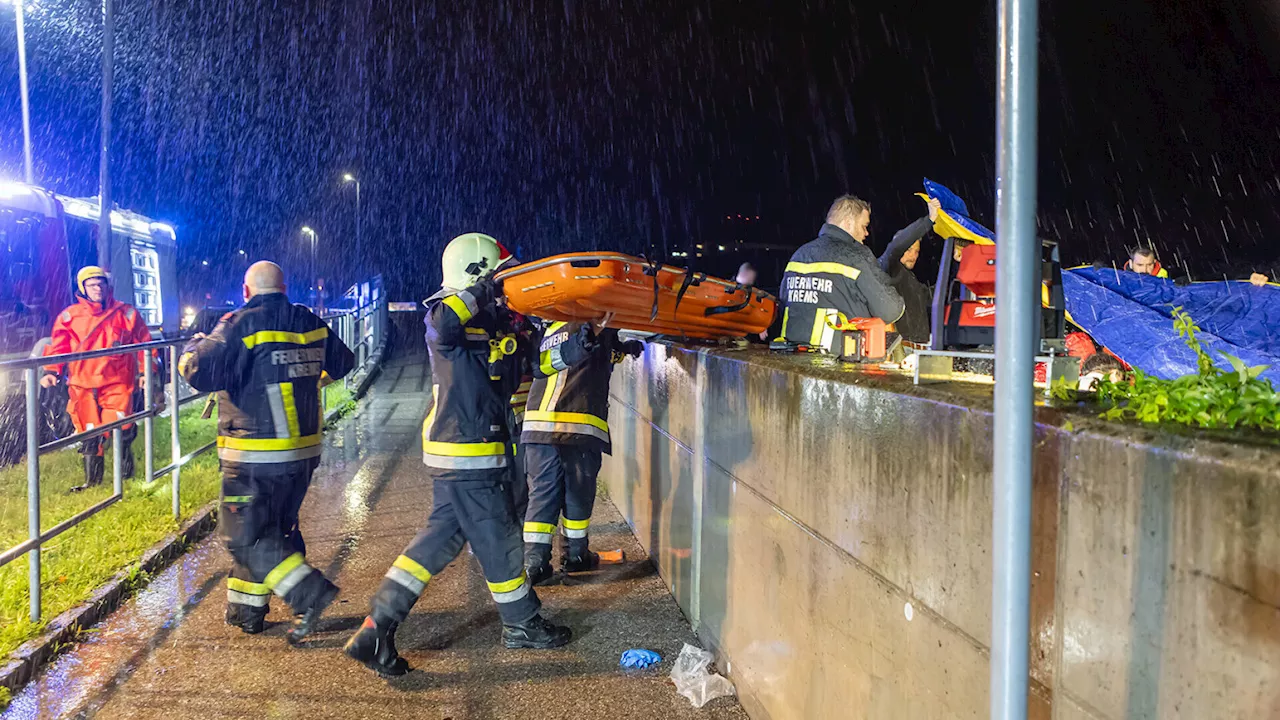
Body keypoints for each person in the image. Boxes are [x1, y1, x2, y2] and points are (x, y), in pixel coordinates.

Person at [345, 233, 570, 678]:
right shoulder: (446, 318)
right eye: (499, 274)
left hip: (474, 451)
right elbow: (443, 322)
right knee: (501, 539)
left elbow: (537, 364)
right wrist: (485, 288)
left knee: (436, 542)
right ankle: (521, 624)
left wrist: (585, 344)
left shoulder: (494, 324)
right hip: (469, 452)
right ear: (479, 273)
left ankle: (376, 628)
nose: (508, 284)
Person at [178, 261, 355, 641]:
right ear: (285, 288)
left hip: (254, 454)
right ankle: (247, 612)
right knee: (274, 529)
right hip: (303, 451)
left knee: (241, 533)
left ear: (246, 291)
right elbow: (345, 361)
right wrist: (307, 380)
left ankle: (309, 592)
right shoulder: (307, 321)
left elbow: (196, 370)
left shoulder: (239, 323)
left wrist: (194, 342)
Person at [520, 320, 642, 585]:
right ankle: (575, 556)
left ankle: (534, 563)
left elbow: (598, 355)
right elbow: (598, 354)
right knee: (578, 495)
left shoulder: (551, 325)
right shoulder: (594, 322)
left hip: (538, 427)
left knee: (542, 495)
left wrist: (623, 349)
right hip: (578, 425)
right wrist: (623, 347)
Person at [41, 266, 153, 492]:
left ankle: (126, 479)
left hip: (117, 383)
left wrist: (144, 373)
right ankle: (92, 483)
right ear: (82, 288)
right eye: (91, 284)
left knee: (121, 429)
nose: (97, 288)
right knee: (89, 433)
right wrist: (51, 371)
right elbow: (58, 347)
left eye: (101, 283)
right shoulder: (69, 317)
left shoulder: (126, 313)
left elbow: (145, 345)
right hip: (82, 385)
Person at [778, 195, 905, 351]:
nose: (866, 233)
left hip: (791, 357)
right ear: (848, 223)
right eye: (864, 226)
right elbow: (889, 310)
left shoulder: (799, 255)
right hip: (835, 361)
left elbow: (784, 302)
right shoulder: (855, 257)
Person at [878, 197, 943, 343]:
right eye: (908, 250)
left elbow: (936, 296)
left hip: (916, 350)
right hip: (897, 351)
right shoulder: (888, 268)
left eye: (917, 252)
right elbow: (894, 248)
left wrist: (958, 261)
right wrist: (929, 219)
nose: (913, 256)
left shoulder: (912, 281)